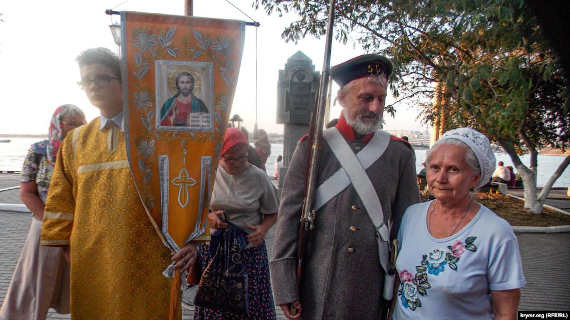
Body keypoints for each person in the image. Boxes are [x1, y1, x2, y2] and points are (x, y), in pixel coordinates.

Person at [39, 47, 198, 319]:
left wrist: (193, 240)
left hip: (148, 259)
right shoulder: (76, 141)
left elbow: (189, 185)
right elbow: (60, 202)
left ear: (124, 81)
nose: (92, 86)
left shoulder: (158, 135)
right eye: (85, 80)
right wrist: (66, 250)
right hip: (92, 261)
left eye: (101, 78)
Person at [271, 54, 420, 320]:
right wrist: (285, 286)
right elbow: (289, 218)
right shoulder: (314, 147)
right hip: (318, 282)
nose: (375, 107)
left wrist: (404, 283)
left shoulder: (399, 153)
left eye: (381, 99)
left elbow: (409, 225)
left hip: (373, 282)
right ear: (342, 99)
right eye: (366, 98)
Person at [392, 128, 526, 320]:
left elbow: (505, 312)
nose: (441, 178)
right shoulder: (412, 215)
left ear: (475, 178)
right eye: (435, 168)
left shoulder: (496, 233)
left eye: (453, 169)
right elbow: (401, 283)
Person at [0, 105, 85, 320]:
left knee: (84, 283)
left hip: (82, 226)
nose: (77, 128)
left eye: (80, 123)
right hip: (45, 224)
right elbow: (27, 192)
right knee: (35, 282)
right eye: (71, 123)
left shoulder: (88, 151)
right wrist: (50, 220)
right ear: (58, 124)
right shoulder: (39, 150)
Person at [194, 128, 278, 319]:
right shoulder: (208, 172)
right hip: (215, 250)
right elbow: (194, 210)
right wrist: (209, 217)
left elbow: (272, 213)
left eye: (242, 157)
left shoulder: (259, 177)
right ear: (220, 155)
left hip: (248, 250)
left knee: (250, 303)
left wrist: (263, 229)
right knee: (215, 304)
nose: (238, 163)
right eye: (230, 158)